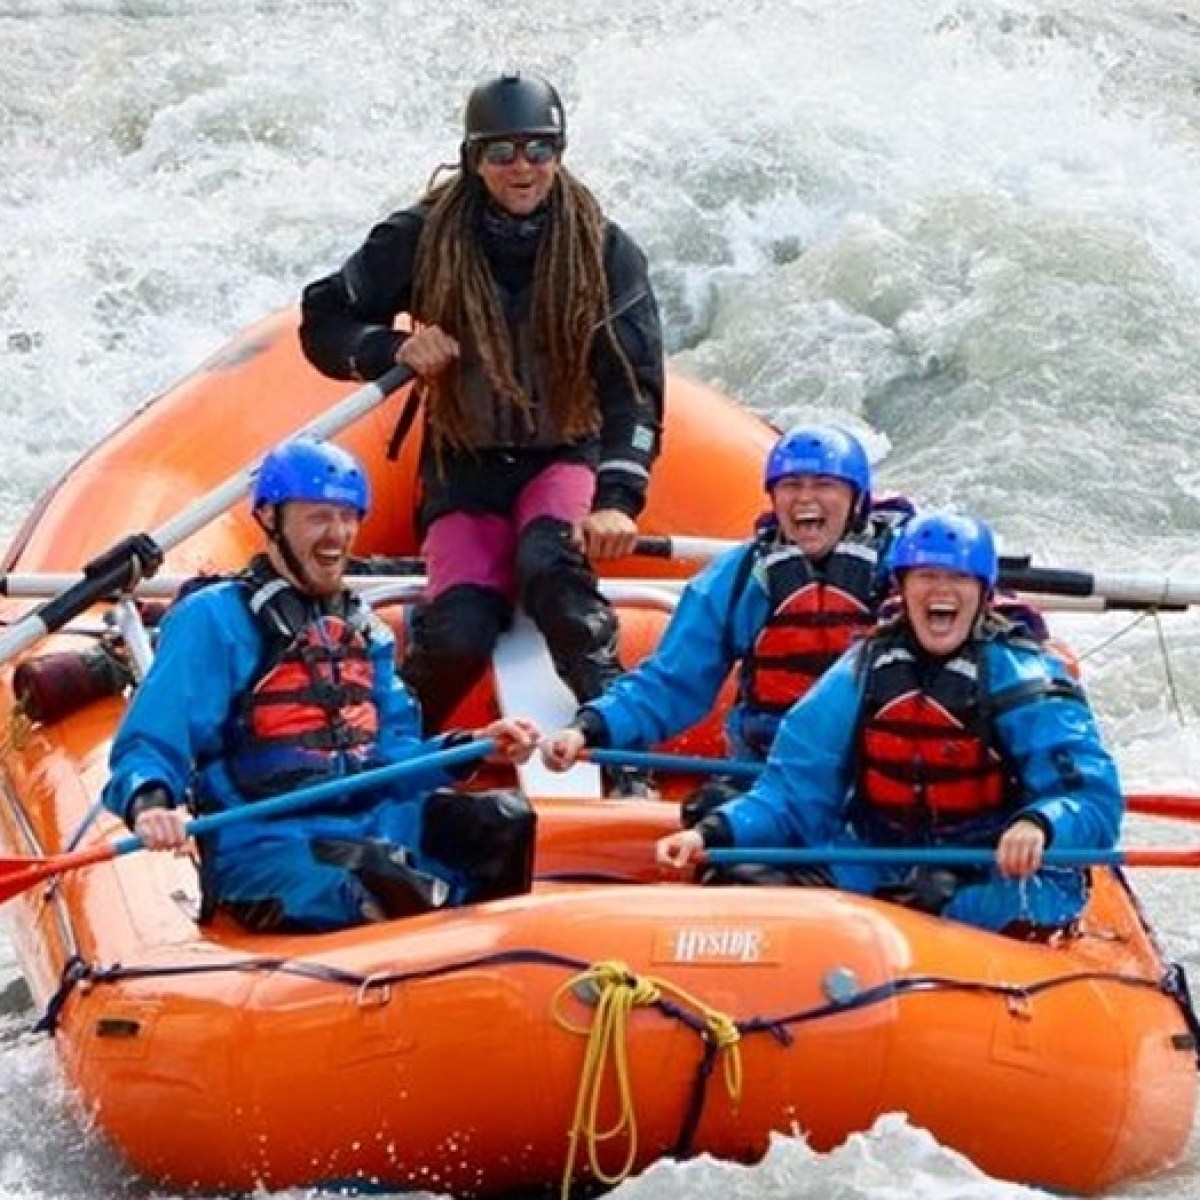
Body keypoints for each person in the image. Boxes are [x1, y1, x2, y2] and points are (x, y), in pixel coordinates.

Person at [299, 71, 665, 748]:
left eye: (538, 150)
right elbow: (322, 321)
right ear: (474, 159)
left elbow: (634, 390)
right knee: (460, 628)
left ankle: (623, 751)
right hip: (463, 463)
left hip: (563, 454)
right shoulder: (419, 238)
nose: (521, 168)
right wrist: (392, 346)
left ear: (559, 153)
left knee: (553, 574)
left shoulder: (606, 251)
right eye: (501, 153)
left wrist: (617, 499)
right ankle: (387, 762)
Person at [102, 439, 541, 934]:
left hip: (373, 824)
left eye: (347, 517)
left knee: (504, 819)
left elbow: (392, 762)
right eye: (318, 518)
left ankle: (491, 971)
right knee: (381, 875)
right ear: (269, 518)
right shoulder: (214, 619)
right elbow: (148, 744)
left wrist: (472, 748)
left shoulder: (363, 630)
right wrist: (150, 803)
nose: (338, 535)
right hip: (269, 846)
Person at [655, 511, 1124, 939]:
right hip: (878, 857)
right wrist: (712, 833)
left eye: (957, 577)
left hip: (995, 866)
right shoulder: (861, 671)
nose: (941, 589)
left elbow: (1093, 800)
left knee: (933, 896)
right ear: (902, 587)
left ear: (983, 593)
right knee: (739, 875)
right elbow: (792, 791)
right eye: (926, 576)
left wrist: (1040, 824)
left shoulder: (1023, 677)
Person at [541, 425, 911, 806]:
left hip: (879, 780)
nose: (805, 498)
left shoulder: (909, 573)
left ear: (856, 498)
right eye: (791, 485)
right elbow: (670, 683)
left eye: (824, 485)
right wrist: (586, 728)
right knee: (709, 818)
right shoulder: (741, 577)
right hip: (771, 774)